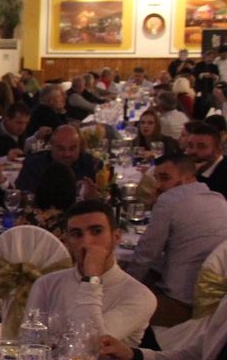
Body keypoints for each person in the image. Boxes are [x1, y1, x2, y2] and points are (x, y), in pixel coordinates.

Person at [27, 200, 155, 348]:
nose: (86, 242)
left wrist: (91, 278)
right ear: (67, 241)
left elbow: (89, 347)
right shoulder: (46, 284)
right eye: (76, 234)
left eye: (96, 231)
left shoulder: (139, 296)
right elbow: (30, 344)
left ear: (116, 237)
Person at [124, 153, 227, 326]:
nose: (158, 185)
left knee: (114, 305)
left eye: (164, 178)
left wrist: (123, 288)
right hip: (217, 300)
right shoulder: (218, 199)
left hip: (182, 303)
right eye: (156, 178)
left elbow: (146, 254)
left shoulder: (170, 199)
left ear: (188, 178)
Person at [14, 125, 98, 195]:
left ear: (80, 147)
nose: (67, 154)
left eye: (72, 148)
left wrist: (93, 198)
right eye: (61, 148)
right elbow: (21, 196)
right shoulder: (33, 164)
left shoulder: (89, 163)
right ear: (51, 146)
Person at [182, 120, 227, 199]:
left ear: (218, 150)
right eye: (190, 145)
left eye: (201, 146)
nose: (193, 151)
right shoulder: (187, 168)